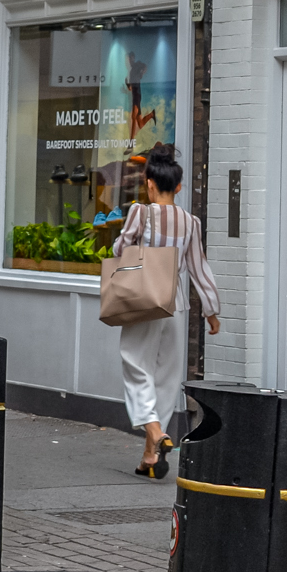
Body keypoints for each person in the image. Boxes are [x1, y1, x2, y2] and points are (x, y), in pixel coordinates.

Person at [111, 143, 220, 480]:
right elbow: (199, 268)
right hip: (176, 305)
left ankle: (156, 433)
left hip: (144, 299)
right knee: (167, 377)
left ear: (149, 184)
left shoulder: (139, 213)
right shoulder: (190, 222)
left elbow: (119, 249)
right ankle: (150, 455)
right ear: (179, 187)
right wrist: (212, 311)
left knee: (136, 366)